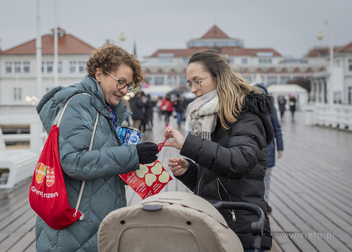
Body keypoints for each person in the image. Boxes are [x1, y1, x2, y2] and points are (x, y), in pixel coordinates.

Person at [35, 44, 159, 252]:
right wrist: (132, 154)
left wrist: (132, 163)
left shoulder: (103, 109)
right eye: (120, 81)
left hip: (91, 221)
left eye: (128, 85)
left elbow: (97, 156)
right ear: (99, 74)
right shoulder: (81, 104)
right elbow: (74, 162)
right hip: (76, 225)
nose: (125, 90)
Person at [163, 50, 274, 252]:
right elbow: (214, 180)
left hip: (239, 224)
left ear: (218, 76)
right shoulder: (210, 117)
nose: (193, 89)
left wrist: (188, 144)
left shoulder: (245, 114)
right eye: (190, 83)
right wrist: (189, 171)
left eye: (198, 81)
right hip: (216, 221)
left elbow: (238, 162)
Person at [256, 83, 284, 214]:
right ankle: (257, 201)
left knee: (266, 177)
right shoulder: (249, 107)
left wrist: (280, 147)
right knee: (256, 178)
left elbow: (277, 127)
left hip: (269, 148)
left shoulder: (271, 108)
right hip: (253, 149)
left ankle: (264, 202)